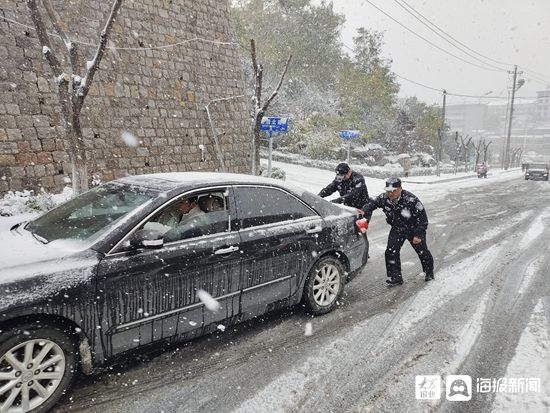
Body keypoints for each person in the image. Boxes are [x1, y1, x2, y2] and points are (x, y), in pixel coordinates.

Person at [359, 177, 434, 286]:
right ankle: (395, 277)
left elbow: (423, 220)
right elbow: (372, 203)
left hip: (413, 228)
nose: (391, 193)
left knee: (422, 251)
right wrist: (363, 210)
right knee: (391, 251)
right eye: (388, 191)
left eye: (394, 191)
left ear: (400, 189)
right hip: (397, 228)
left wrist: (418, 235)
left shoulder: (411, 200)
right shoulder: (384, 198)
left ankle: (429, 272)